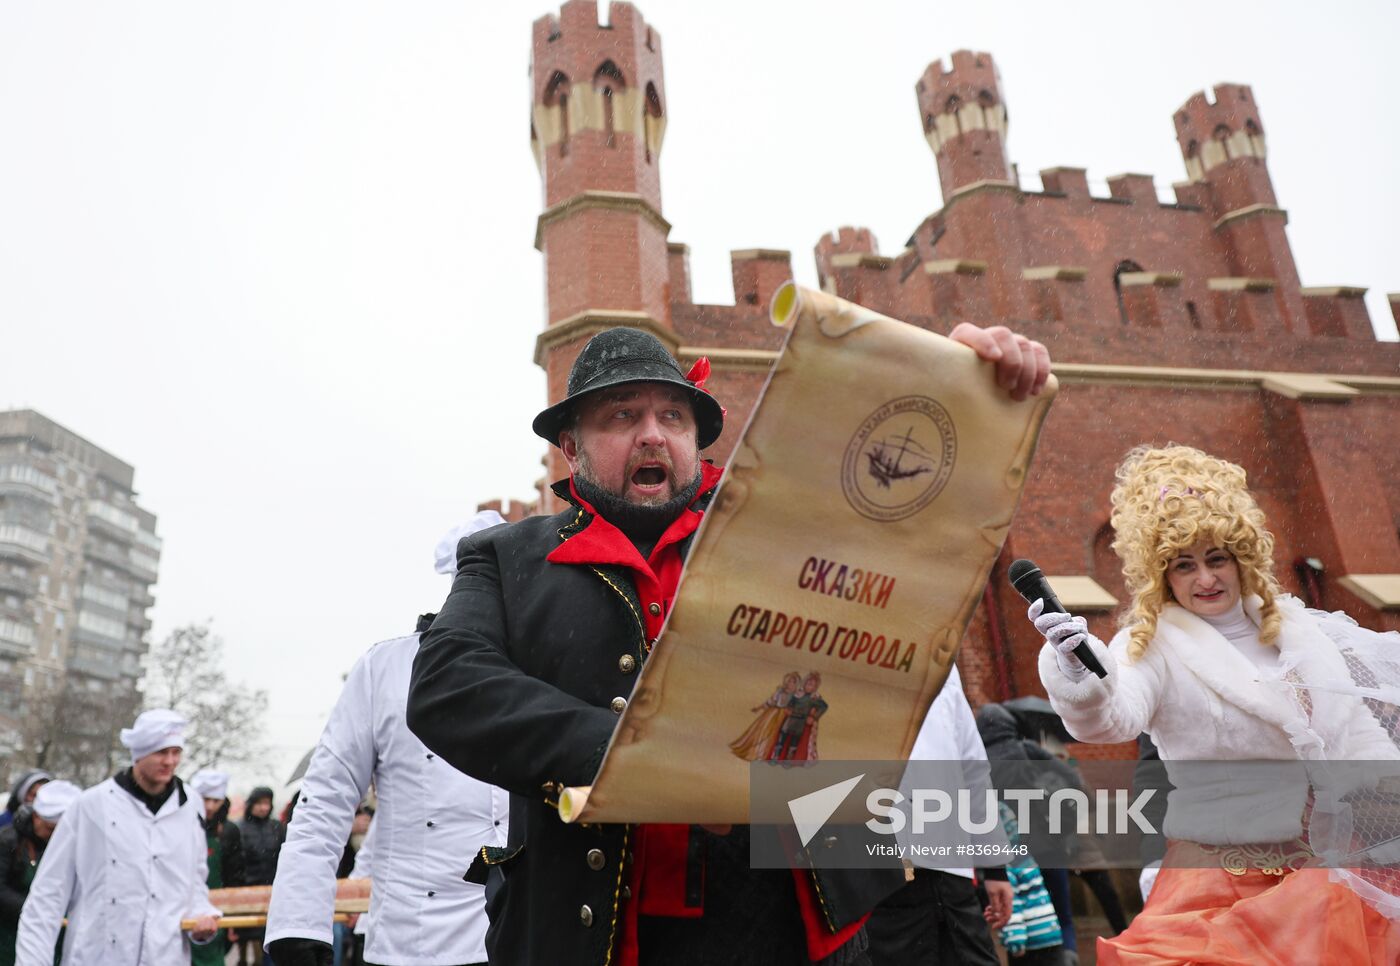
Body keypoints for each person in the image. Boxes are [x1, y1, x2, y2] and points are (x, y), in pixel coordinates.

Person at [407, 322, 1052, 966]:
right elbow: (448, 685)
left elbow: (896, 509)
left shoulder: (774, 527)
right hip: (605, 929)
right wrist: (646, 763)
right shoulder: (507, 557)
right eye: (622, 415)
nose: (653, 433)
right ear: (572, 448)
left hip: (804, 925)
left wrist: (966, 388)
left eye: (672, 415)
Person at [1030, 444, 1400, 964]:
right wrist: (1075, 667)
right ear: (1163, 575)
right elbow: (1112, 716)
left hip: (1321, 875)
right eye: (1184, 565)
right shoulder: (1152, 644)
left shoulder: (1301, 635)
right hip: (1218, 877)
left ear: (1241, 558)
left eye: (1216, 559)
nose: (1205, 578)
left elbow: (1361, 745)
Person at [265, 510, 510, 966]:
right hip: (414, 944)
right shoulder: (384, 669)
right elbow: (324, 802)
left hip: (524, 938)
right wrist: (299, 925)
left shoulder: (540, 667)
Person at [15, 709, 221, 966]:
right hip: (97, 955)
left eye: (176, 752)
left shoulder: (192, 806)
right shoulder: (91, 805)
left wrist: (201, 916)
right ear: (139, 754)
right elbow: (47, 897)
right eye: (161, 753)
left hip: (166, 956)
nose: (170, 761)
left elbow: (193, 881)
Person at [865, 664, 1012, 965]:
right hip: (875, 877)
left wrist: (995, 866)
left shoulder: (941, 656)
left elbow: (972, 767)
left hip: (950, 878)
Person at [0, 781, 78, 966]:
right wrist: (38, 909)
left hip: (54, 934)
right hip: (9, 931)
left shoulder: (69, 846)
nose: (56, 835)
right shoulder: (8, 841)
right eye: (51, 829)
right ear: (35, 816)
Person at [189, 770, 244, 966]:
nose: (210, 806)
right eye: (205, 799)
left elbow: (234, 875)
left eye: (216, 800)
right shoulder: (183, 825)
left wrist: (233, 916)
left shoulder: (229, 831)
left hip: (216, 907)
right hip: (184, 903)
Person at [240, 786, 285, 963]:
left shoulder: (276, 827)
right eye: (259, 803)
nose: (263, 808)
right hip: (247, 890)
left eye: (267, 803)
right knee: (245, 937)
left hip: (272, 890)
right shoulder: (241, 828)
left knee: (266, 939)